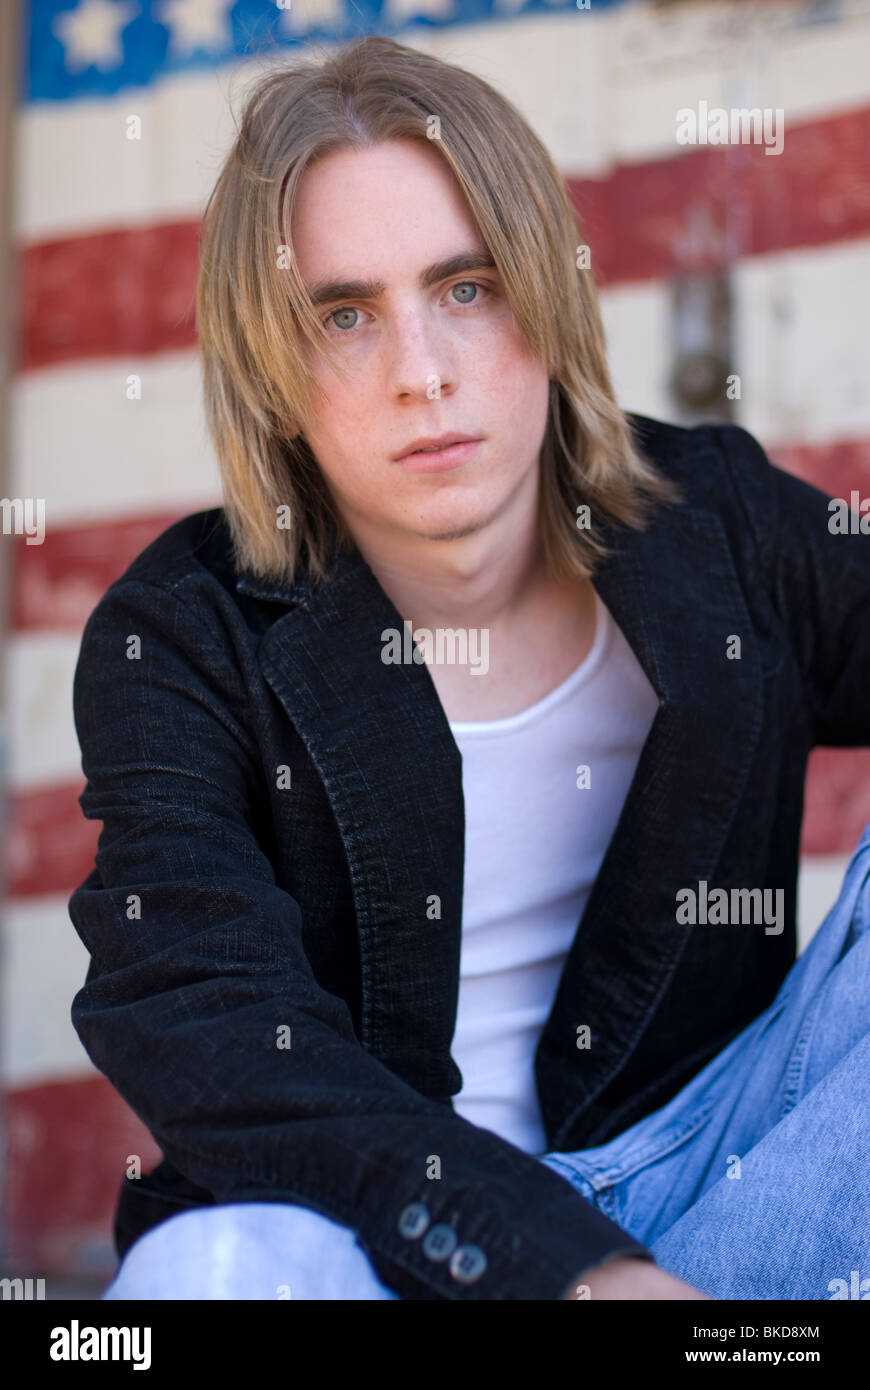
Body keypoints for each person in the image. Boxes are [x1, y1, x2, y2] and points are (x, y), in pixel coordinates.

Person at [68, 36, 870, 1301]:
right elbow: (207, 1020)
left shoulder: (718, 525)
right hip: (380, 1242)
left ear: (547, 296)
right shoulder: (183, 634)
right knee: (211, 1270)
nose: (422, 372)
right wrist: (572, 1273)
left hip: (712, 1206)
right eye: (344, 315)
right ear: (274, 378)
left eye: (468, 287)